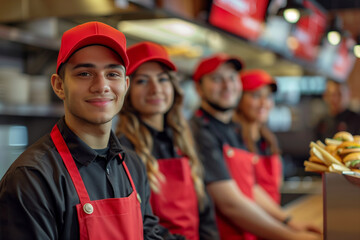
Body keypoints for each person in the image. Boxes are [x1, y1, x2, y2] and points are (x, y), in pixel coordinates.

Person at [0, 22, 171, 240]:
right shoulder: (31, 178)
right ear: (59, 86)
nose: (101, 86)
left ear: (125, 85)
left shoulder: (132, 165)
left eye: (112, 74)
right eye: (84, 74)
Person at [190, 53, 322, 240]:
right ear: (198, 87)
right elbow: (230, 203)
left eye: (231, 77)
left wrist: (289, 222)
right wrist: (290, 236)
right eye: (216, 79)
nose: (227, 85)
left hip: (248, 230)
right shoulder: (199, 131)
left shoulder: (233, 130)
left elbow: (250, 187)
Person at [116, 41, 219, 240]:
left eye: (162, 79)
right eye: (142, 81)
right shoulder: (123, 151)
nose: (155, 89)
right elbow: (139, 226)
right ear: (126, 91)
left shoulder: (184, 141)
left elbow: (205, 212)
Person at [233, 69, 282, 204]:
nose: (263, 103)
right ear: (239, 98)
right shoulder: (234, 139)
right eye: (256, 95)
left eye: (268, 96)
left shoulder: (268, 139)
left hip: (272, 216)